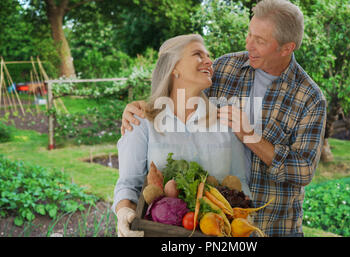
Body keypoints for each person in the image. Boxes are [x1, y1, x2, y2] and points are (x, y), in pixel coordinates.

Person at [121, 0, 326, 237]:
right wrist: (144, 109)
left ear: (286, 48)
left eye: (260, 41)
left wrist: (251, 137)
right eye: (250, 34)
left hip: (274, 226)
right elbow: (182, 90)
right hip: (214, 227)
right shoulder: (227, 67)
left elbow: (303, 171)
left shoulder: (309, 98)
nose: (249, 44)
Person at [112, 34, 252, 237]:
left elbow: (240, 181)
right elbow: (129, 184)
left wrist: (245, 222)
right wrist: (124, 212)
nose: (209, 61)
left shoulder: (227, 121)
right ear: (173, 68)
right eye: (197, 54)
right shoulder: (142, 121)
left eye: (208, 55)